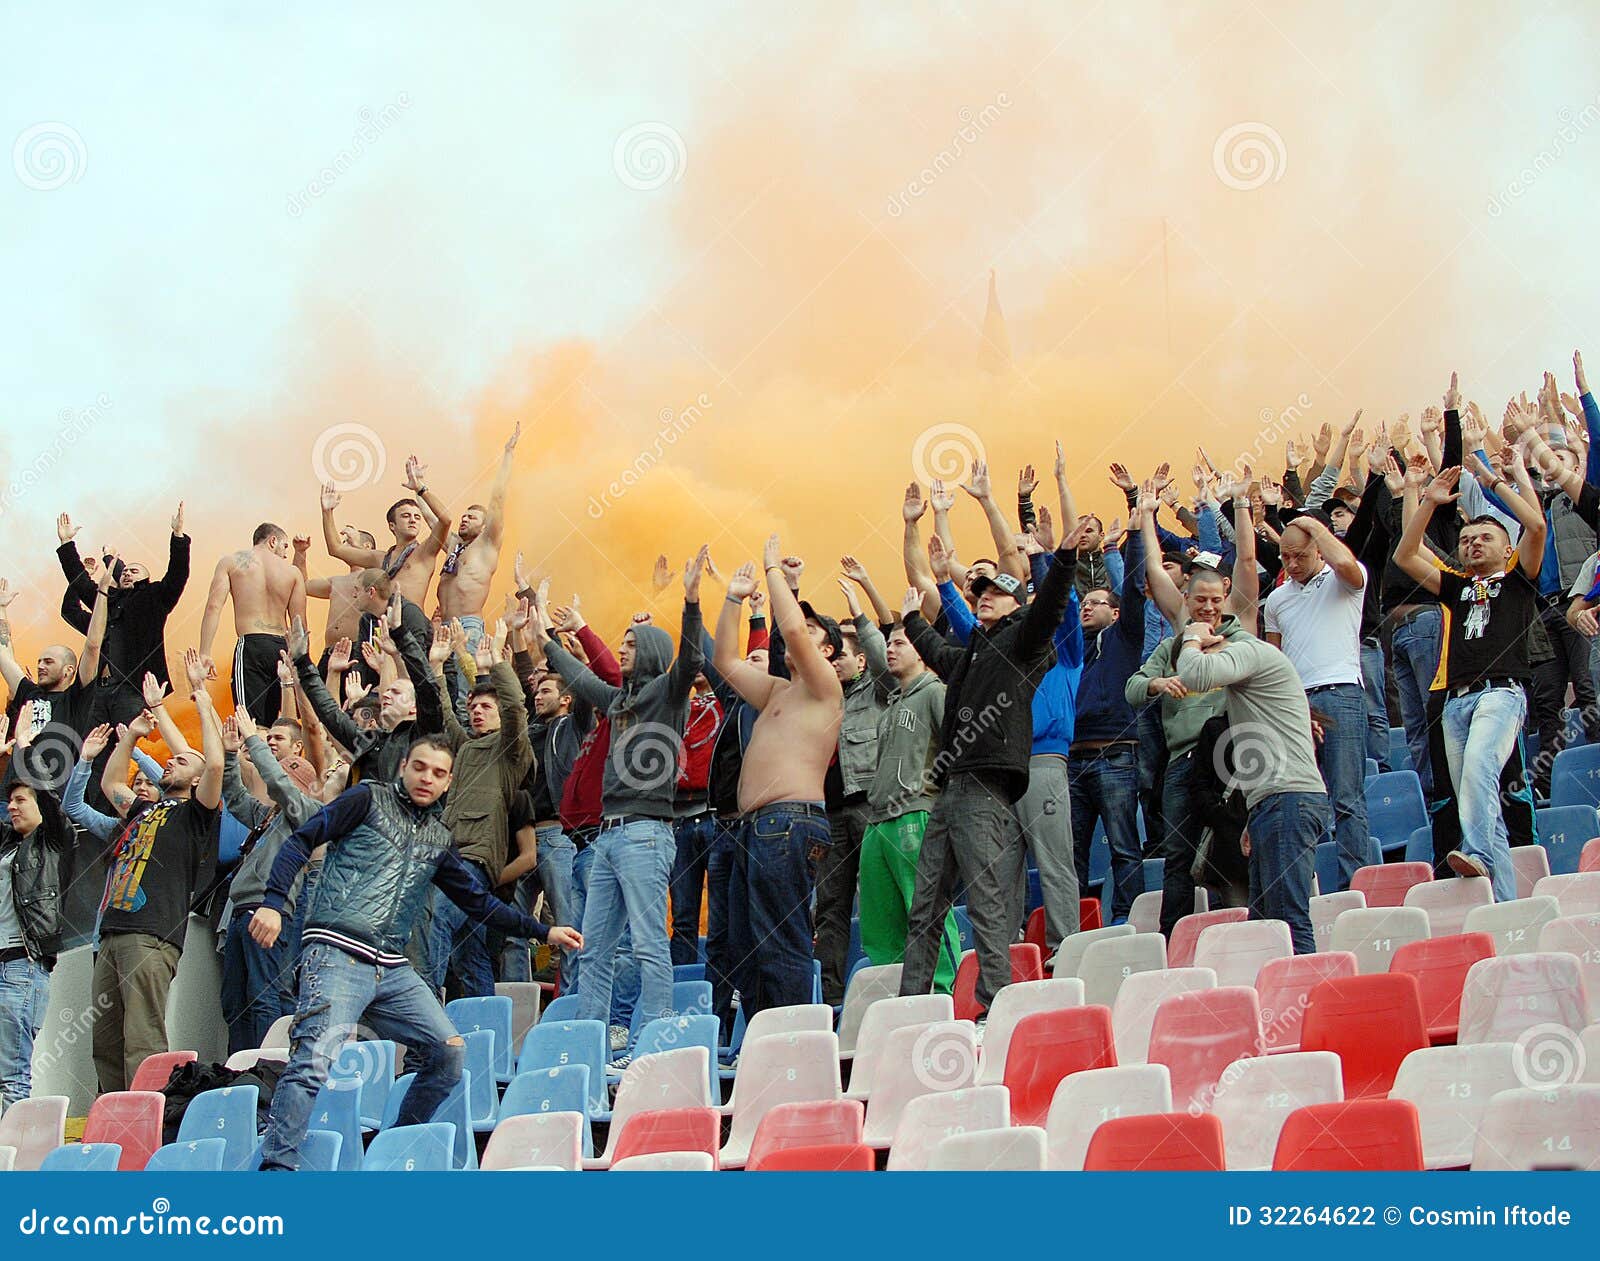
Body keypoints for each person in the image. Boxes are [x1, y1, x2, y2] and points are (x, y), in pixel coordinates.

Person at [248, 734, 580, 1171]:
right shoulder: (365, 799)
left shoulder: (440, 840)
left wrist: (543, 930)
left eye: (439, 773)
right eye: (420, 767)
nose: (428, 778)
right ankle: (277, 1171)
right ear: (404, 765)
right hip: (337, 951)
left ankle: (393, 1148)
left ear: (449, 783)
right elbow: (300, 841)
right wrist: (274, 903)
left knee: (449, 1053)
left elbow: (479, 903)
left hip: (391, 965)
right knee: (313, 1061)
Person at [897, 518, 1084, 1021]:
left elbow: (1050, 609)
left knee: (986, 904)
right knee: (925, 908)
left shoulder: (1025, 644)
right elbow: (936, 650)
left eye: (994, 592)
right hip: (951, 791)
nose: (983, 596)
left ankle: (995, 1009)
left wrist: (1061, 558)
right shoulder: (970, 656)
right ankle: (911, 1008)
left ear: (1015, 605)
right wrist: (913, 616)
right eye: (977, 592)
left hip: (986, 792)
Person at [535, 548, 707, 1047]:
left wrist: (691, 601)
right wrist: (544, 636)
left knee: (651, 943)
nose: (623, 648)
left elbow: (692, 658)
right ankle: (592, 1045)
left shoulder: (668, 694)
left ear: (650, 651)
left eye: (631, 643)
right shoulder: (620, 702)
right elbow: (580, 677)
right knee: (595, 950)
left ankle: (655, 1043)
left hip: (646, 835)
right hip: (606, 839)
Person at [1394, 452, 1547, 902]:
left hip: (1500, 693)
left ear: (1506, 548)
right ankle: (1504, 907)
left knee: (1481, 768)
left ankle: (1475, 851)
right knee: (1479, 804)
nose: (1473, 544)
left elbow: (1536, 526)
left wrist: (1495, 482)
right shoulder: (1458, 586)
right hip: (1455, 704)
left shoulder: (1519, 577)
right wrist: (1427, 500)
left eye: (1484, 538)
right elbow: (1405, 553)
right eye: (1466, 539)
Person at [714, 539, 842, 1018]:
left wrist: (773, 572)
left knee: (780, 943)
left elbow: (789, 626)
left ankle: (793, 1044)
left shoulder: (824, 688)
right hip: (754, 828)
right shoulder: (775, 692)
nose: (797, 636)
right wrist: (732, 598)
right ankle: (766, 1040)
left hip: (788, 825)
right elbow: (726, 662)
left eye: (811, 633)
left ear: (825, 649)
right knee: (744, 949)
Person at [91, 649, 223, 1093]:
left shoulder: (198, 814)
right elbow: (111, 785)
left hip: (151, 936)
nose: (170, 761)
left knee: (142, 1042)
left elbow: (217, 762)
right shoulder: (145, 807)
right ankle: (112, 1126)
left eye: (182, 761)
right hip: (111, 933)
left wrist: (201, 696)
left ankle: (149, 1125)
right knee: (105, 1042)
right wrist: (130, 737)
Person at [1172, 606, 1330, 954]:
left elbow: (1194, 674)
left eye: (1206, 651)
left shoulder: (1249, 650)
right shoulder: (1248, 692)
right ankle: (1278, 999)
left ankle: (1309, 997)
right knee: (1264, 925)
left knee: (1288, 920)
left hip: (1289, 800)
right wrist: (1254, 814)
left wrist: (1193, 638)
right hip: (1274, 803)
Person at [1263, 512, 1373, 889]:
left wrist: (1314, 525)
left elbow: (1345, 562)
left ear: (1318, 550)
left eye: (1301, 556)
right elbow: (1275, 661)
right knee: (1302, 802)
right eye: (1285, 558)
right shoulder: (1276, 600)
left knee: (1346, 797)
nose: (1292, 565)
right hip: (1298, 704)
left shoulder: (1343, 580)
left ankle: (1353, 886)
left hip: (1341, 691)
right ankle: (1307, 887)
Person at [857, 599, 961, 989]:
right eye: (889, 643)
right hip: (878, 820)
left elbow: (957, 749)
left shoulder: (936, 692)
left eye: (901, 643)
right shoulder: (890, 706)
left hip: (916, 813)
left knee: (927, 909)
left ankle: (946, 991)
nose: (891, 648)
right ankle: (897, 995)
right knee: (881, 923)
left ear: (922, 649)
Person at [428, 626, 532, 999]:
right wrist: (438, 670)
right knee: (468, 953)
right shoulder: (468, 748)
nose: (476, 712)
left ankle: (423, 1001)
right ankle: (487, 1024)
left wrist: (497, 665)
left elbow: (517, 707)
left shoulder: (511, 750)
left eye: (486, 707)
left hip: (474, 858)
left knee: (438, 920)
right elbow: (445, 715)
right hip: (451, 854)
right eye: (472, 707)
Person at [216, 708, 323, 1052]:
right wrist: (231, 755)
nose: (278, 783)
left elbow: (277, 785)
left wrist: (253, 739)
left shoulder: (308, 814)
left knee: (264, 996)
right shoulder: (269, 817)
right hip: (241, 910)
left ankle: (268, 1068)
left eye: (287, 779)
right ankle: (239, 1070)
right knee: (235, 1001)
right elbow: (234, 799)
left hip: (270, 911)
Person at [1069, 499, 1150, 923]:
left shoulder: (1126, 638)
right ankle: (1080, 926)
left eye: (1096, 602)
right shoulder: (1071, 649)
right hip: (1074, 759)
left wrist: (1134, 536)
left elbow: (1136, 588)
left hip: (1117, 756)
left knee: (1123, 846)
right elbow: (1059, 598)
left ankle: (1128, 921)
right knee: (1074, 853)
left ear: (1115, 613)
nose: (1086, 606)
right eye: (1085, 602)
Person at [54, 505, 190, 724]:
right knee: (92, 750)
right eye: (125, 571)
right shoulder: (108, 599)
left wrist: (178, 536)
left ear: (146, 579)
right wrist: (67, 544)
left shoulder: (155, 597)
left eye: (134, 571)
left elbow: (178, 573)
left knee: (125, 747)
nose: (127, 573)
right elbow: (80, 583)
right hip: (98, 690)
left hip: (132, 690)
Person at [0, 769, 70, 1106]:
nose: (12, 807)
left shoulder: (53, 842)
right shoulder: (7, 846)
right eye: (9, 801)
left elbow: (51, 800)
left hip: (21, 967)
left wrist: (26, 752)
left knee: (12, 1076)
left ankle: (13, 1157)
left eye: (20, 800)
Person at [198, 523, 308, 725]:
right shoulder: (293, 573)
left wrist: (204, 652)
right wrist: (302, 662)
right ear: (272, 541)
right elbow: (299, 624)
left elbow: (214, 606)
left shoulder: (230, 562)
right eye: (285, 547)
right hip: (284, 650)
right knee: (287, 724)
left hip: (251, 646)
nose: (285, 555)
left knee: (250, 723)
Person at [318, 456, 450, 612]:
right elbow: (336, 549)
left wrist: (420, 488)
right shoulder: (379, 558)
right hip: (384, 627)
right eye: (406, 516)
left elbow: (445, 520)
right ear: (392, 526)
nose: (413, 520)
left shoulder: (425, 551)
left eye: (417, 517)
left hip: (412, 627)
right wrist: (327, 512)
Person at [434, 424, 520, 646]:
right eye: (463, 516)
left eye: (472, 517)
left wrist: (508, 455)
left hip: (468, 626)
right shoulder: (454, 546)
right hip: (442, 627)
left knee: (466, 680)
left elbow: (498, 499)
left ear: (484, 527)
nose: (464, 519)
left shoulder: (486, 544)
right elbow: (432, 521)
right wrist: (418, 489)